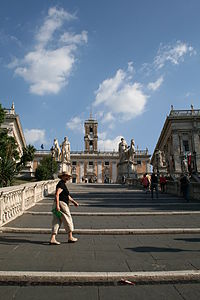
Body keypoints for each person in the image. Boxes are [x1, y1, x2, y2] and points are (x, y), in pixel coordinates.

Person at [50, 171, 79, 245]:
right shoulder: (61, 184)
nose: (68, 178)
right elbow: (57, 194)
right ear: (63, 176)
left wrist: (74, 202)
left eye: (69, 177)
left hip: (58, 204)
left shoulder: (62, 184)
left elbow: (67, 196)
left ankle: (52, 238)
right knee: (68, 219)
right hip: (61, 204)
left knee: (57, 221)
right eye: (67, 176)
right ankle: (70, 237)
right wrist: (57, 206)